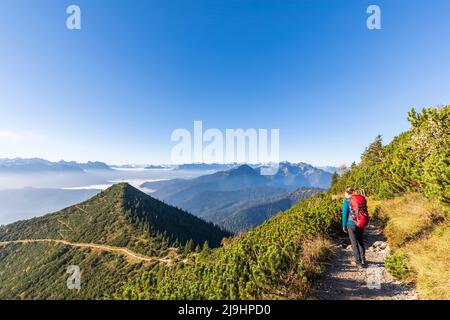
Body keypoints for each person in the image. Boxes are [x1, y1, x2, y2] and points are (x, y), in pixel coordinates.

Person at [342, 188, 366, 267]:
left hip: (351, 224)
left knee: (354, 243)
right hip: (360, 223)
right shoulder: (359, 199)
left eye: (345, 193)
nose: (344, 195)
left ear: (348, 193)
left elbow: (344, 215)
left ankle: (358, 262)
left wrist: (344, 225)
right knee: (360, 241)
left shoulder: (346, 202)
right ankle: (363, 260)